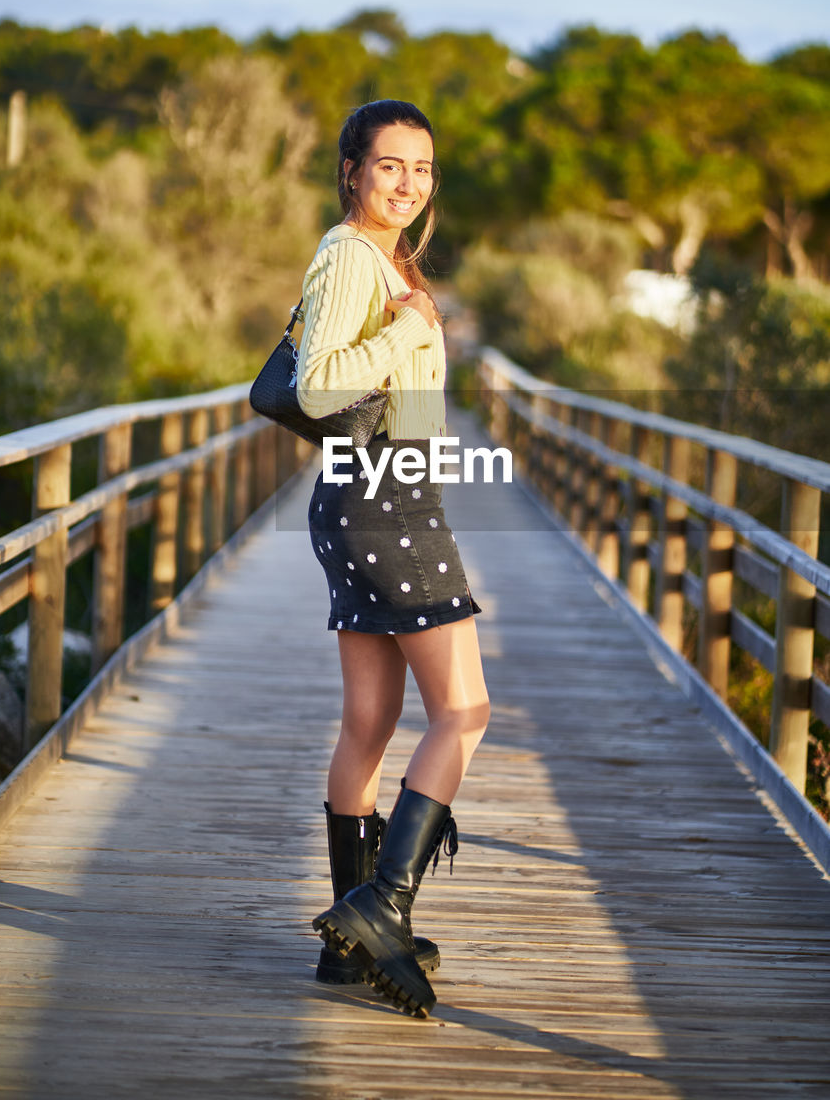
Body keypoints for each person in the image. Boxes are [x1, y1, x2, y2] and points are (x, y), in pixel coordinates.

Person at [296, 99, 490, 1018]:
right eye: (389, 167)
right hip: (385, 501)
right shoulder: (346, 257)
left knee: (369, 724)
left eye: (421, 169)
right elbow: (319, 384)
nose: (407, 185)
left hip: (367, 495)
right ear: (351, 171)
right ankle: (384, 905)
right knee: (465, 710)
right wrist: (411, 331)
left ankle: (348, 938)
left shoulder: (382, 259)